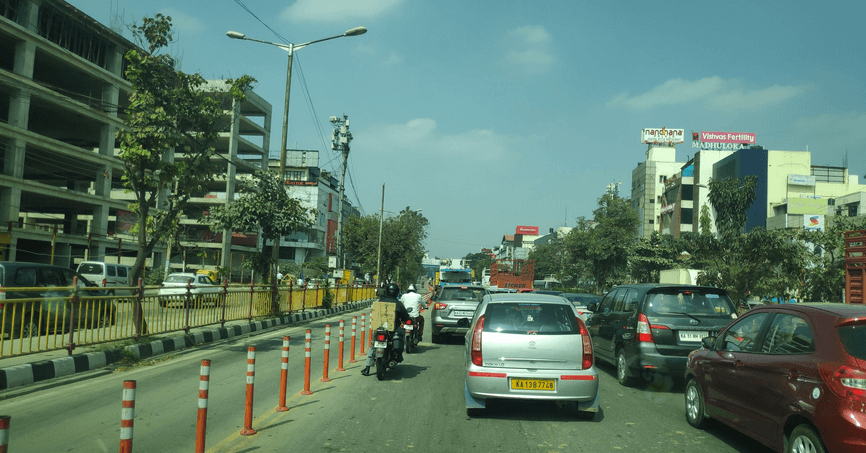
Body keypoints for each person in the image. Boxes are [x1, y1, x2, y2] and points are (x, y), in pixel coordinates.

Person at [362, 282, 411, 376]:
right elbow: (405, 316)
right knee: (402, 333)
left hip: (379, 328)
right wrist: (407, 319)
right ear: (396, 292)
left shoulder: (379, 301)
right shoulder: (398, 303)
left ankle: (367, 368)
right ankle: (399, 355)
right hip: (394, 329)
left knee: (373, 345)